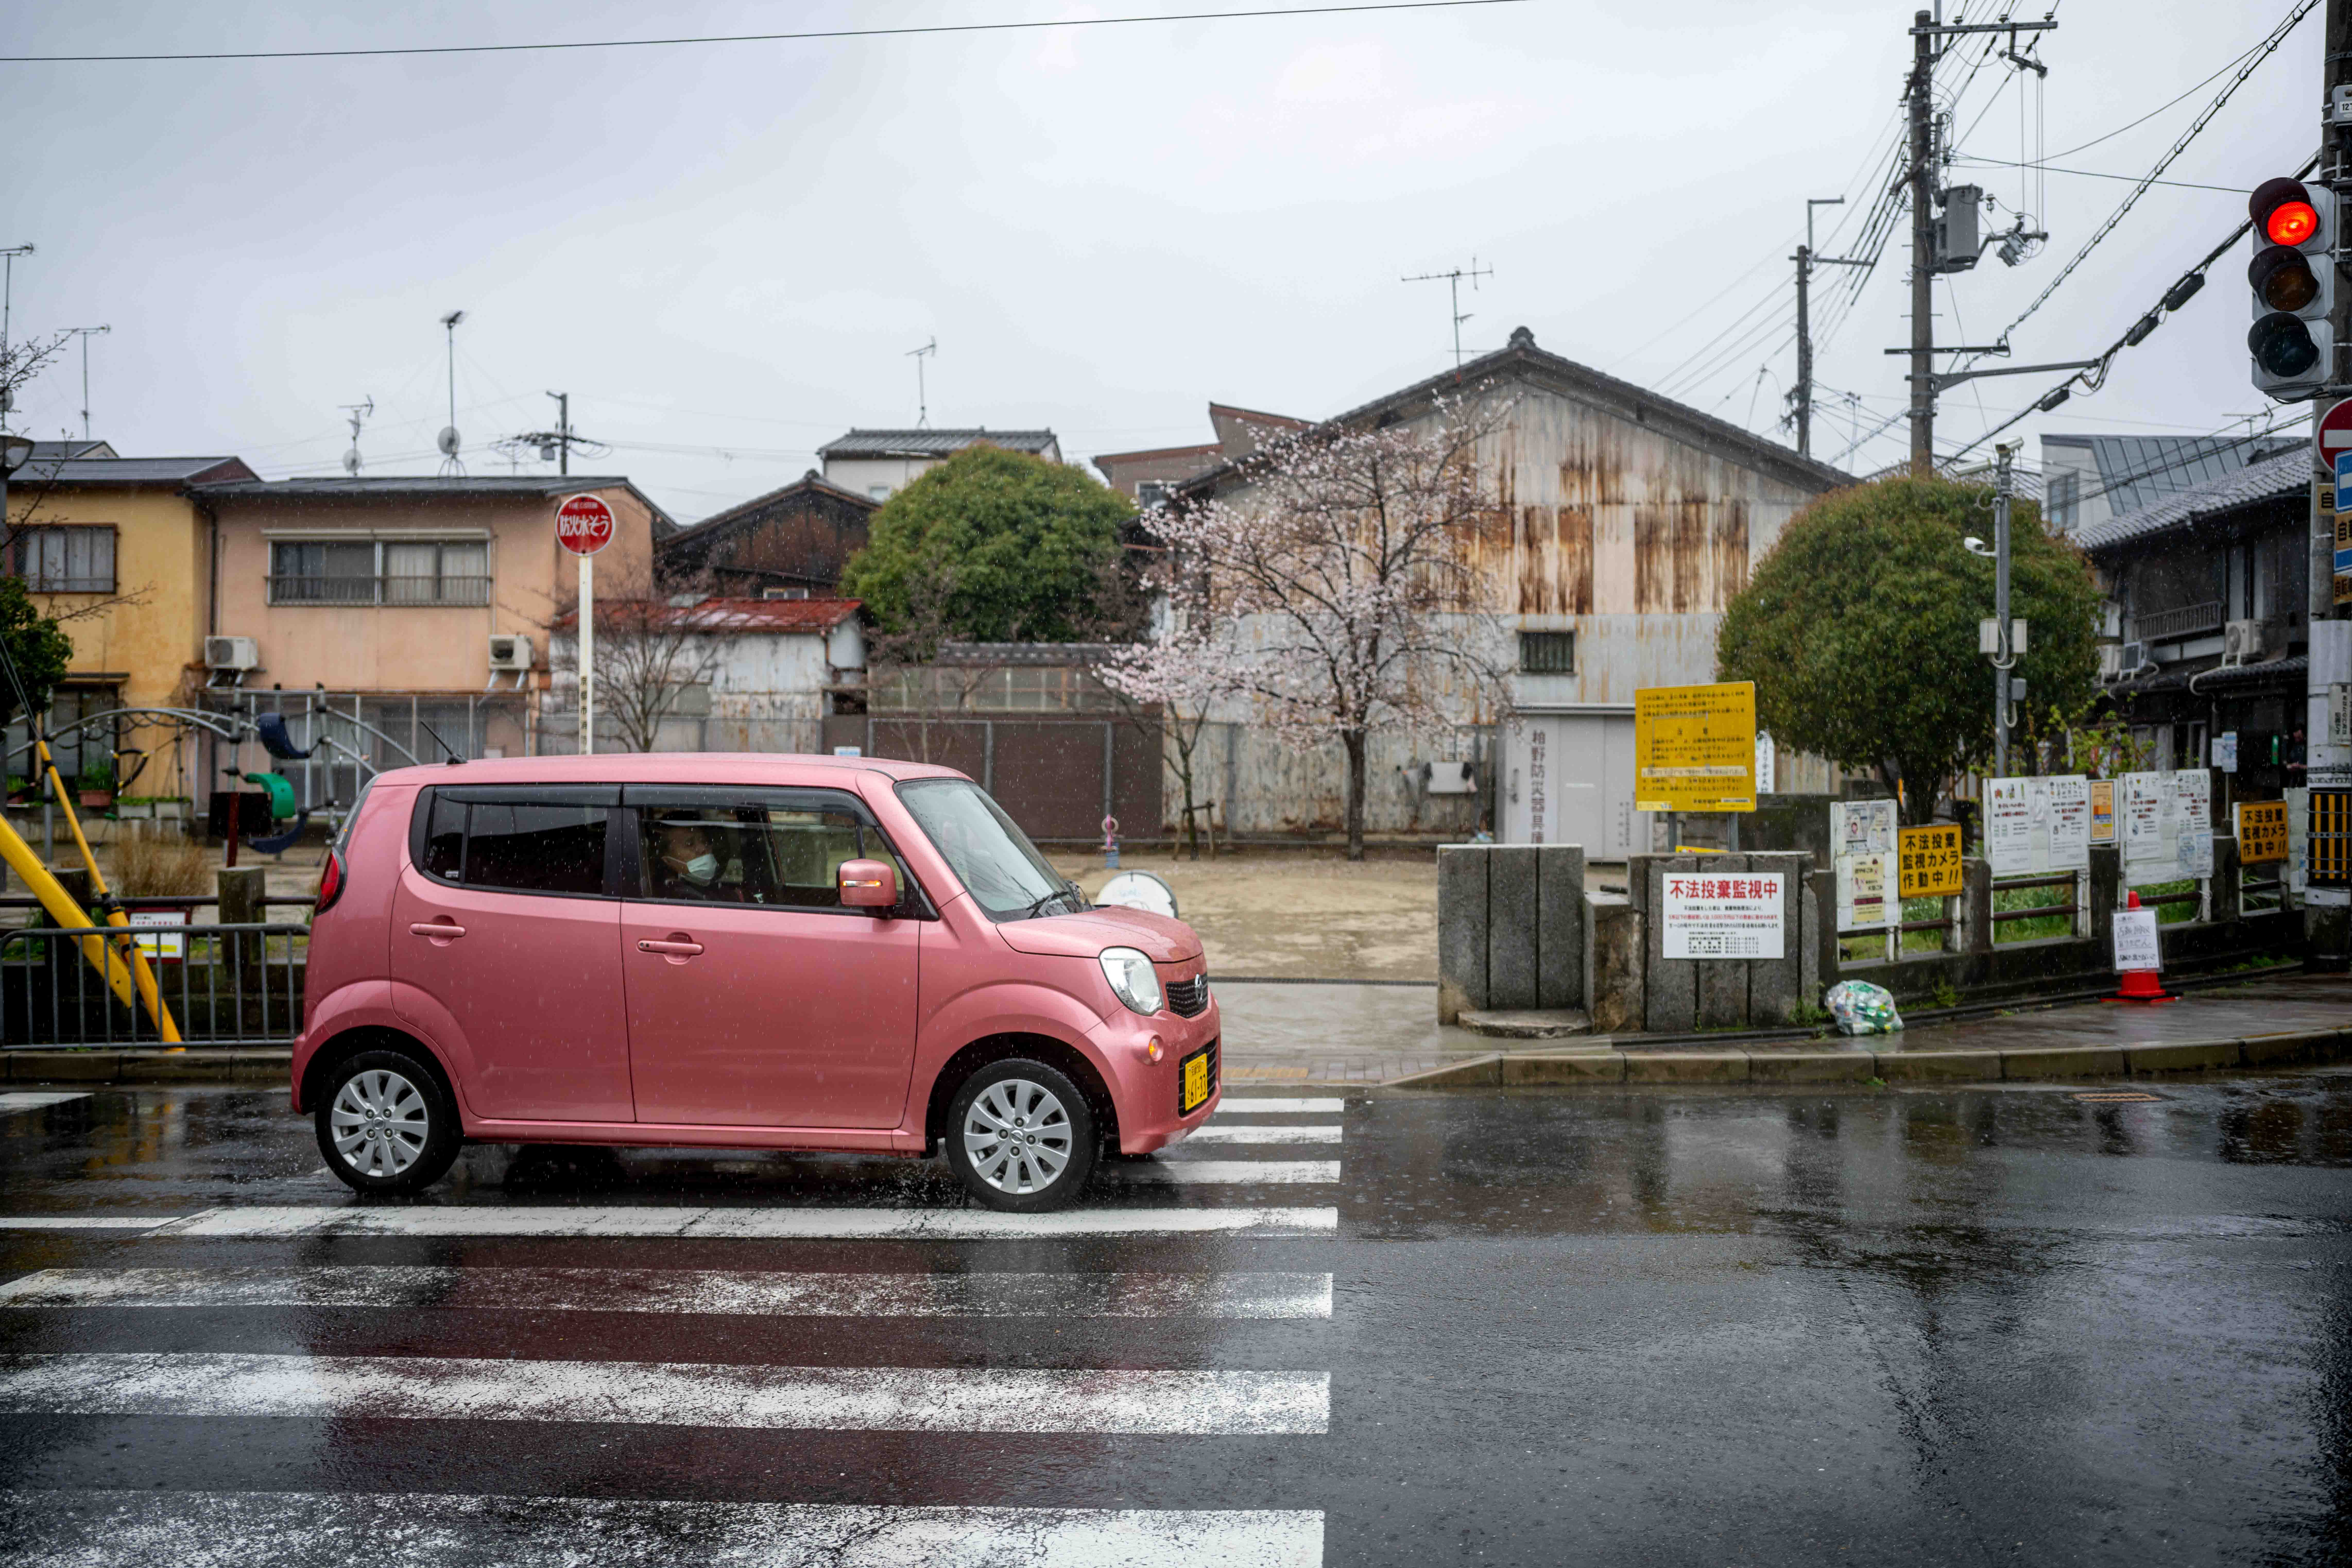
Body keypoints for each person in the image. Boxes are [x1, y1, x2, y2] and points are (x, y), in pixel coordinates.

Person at [651, 818, 731, 901]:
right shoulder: (674, 897)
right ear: (668, 861)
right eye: (690, 844)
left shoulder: (718, 891)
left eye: (704, 841)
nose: (703, 848)